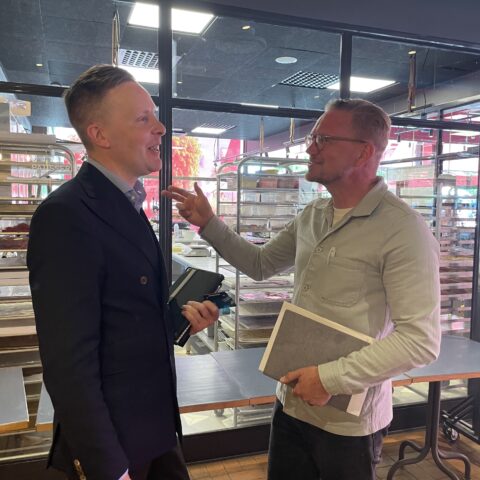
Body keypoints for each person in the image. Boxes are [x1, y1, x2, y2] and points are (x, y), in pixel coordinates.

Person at [162, 98, 441, 480]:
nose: (310, 148)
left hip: (349, 425)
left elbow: (420, 340)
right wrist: (209, 223)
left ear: (363, 152)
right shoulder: (313, 215)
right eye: (312, 138)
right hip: (292, 402)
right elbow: (260, 264)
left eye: (323, 139)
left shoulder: (403, 230)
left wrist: (328, 380)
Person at [27, 65, 219, 480]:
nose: (161, 128)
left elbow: (123, 318)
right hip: (116, 447)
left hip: (156, 430)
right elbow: (68, 365)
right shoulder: (66, 215)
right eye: (143, 118)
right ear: (100, 134)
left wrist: (180, 323)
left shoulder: (128, 205)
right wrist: (109, 468)